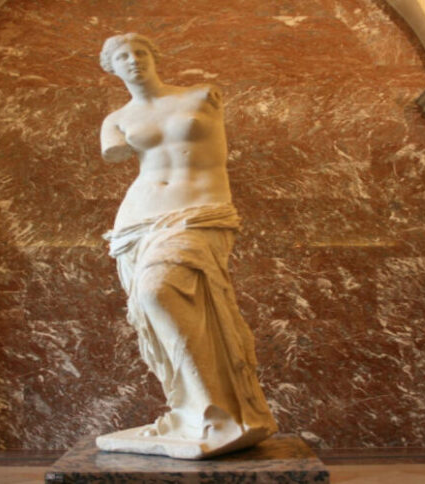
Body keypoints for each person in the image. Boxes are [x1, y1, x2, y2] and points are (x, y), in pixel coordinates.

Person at [96, 33, 278, 459]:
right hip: (138, 222)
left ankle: (217, 412)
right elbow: (116, 153)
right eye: (122, 57)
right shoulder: (116, 120)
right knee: (157, 309)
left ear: (155, 57)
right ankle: (198, 412)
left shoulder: (201, 96)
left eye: (140, 52)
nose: (133, 60)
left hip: (199, 212)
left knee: (157, 291)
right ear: (111, 68)